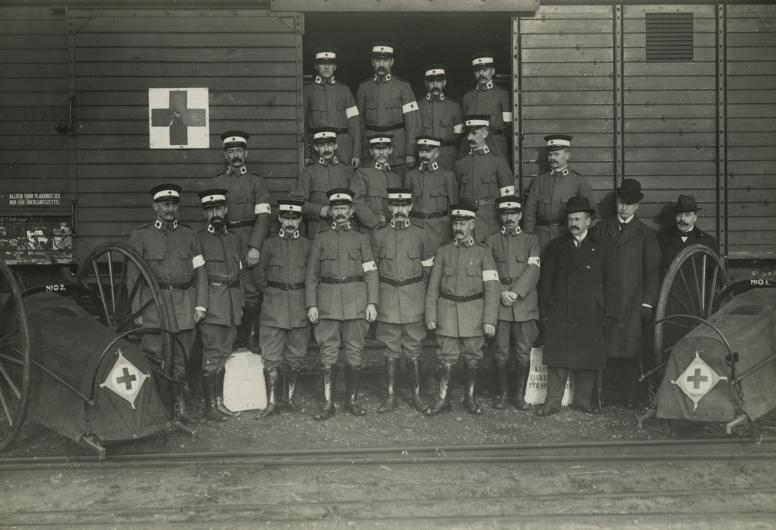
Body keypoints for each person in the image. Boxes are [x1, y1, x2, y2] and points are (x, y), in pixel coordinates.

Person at [128, 183, 207, 422]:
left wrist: (200, 305)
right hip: (154, 305)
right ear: (155, 207)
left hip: (185, 305)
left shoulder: (189, 235)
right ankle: (158, 410)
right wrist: (137, 312)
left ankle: (179, 409)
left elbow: (200, 272)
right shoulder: (141, 236)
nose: (170, 208)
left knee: (181, 360)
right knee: (156, 357)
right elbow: (133, 278)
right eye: (165, 204)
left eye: (173, 204)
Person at [306, 189, 379, 420]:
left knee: (354, 350)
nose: (339, 213)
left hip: (356, 301)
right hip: (327, 300)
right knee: (328, 352)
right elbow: (311, 275)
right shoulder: (320, 238)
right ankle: (328, 405)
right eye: (335, 209)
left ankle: (351, 401)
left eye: (343, 209)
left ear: (351, 211)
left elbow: (371, 272)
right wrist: (311, 305)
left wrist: (372, 302)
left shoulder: (361, 238)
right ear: (331, 211)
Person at [425, 203, 500, 415]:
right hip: (447, 312)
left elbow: (492, 289)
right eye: (456, 223)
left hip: (474, 313)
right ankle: (443, 399)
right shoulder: (443, 252)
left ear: (472, 225)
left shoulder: (483, 253)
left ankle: (470, 398)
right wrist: (431, 315)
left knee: (472, 356)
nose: (458, 227)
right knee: (447, 356)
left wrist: (490, 320)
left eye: (463, 223)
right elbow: (433, 287)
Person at [535, 196, 607, 417]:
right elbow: (546, 282)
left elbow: (611, 282)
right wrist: (545, 311)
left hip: (589, 311)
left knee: (587, 359)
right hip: (561, 311)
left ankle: (583, 401)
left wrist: (605, 310)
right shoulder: (556, 247)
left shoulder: (601, 248)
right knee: (557, 360)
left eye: (578, 219)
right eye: (570, 219)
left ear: (588, 221)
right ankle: (552, 403)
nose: (573, 223)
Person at [592, 179, 661, 408]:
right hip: (607, 301)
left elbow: (652, 274)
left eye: (629, 204)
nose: (624, 208)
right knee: (607, 350)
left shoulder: (646, 234)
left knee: (631, 351)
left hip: (633, 303)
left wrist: (648, 304)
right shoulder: (601, 229)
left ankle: (631, 396)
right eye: (622, 202)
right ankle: (608, 395)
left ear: (637, 206)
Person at [370, 188, 436, 414]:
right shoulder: (378, 235)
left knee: (414, 347)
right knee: (391, 349)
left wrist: (419, 295)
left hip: (414, 299)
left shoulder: (422, 234)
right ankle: (391, 396)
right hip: (387, 297)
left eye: (404, 205)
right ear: (389, 207)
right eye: (395, 206)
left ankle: (417, 396)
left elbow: (428, 270)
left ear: (410, 207)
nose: (399, 210)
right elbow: (373, 271)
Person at [212, 130, 271, 352]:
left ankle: (252, 335)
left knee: (252, 290)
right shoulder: (218, 182)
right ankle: (235, 335)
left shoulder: (256, 182)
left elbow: (264, 217)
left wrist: (255, 246)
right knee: (230, 286)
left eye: (239, 150)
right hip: (226, 239)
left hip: (249, 238)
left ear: (245, 153)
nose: (235, 155)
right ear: (225, 155)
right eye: (231, 151)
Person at [256, 199, 311, 419]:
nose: (290, 222)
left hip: (299, 305)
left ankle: (288, 399)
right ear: (279, 219)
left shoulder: (308, 245)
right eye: (286, 218)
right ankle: (272, 403)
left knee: (296, 355)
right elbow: (259, 276)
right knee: (271, 355)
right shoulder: (268, 244)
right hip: (273, 306)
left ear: (299, 220)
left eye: (294, 218)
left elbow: (313, 276)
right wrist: (273, 294)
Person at [485, 196, 541, 410]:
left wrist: (516, 293)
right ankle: (502, 394)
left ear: (519, 216)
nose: (509, 218)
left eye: (513, 214)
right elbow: (488, 271)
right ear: (501, 216)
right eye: (505, 214)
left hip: (524, 304)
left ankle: (519, 396)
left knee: (523, 351)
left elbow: (534, 269)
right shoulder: (491, 240)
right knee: (500, 351)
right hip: (499, 304)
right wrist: (501, 292)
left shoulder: (531, 240)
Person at [196, 188, 243, 421]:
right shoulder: (198, 239)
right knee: (212, 354)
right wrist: (201, 306)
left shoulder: (234, 238)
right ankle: (209, 406)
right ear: (205, 213)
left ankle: (219, 402)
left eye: (219, 208)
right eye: (210, 209)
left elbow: (241, 273)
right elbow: (197, 276)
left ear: (225, 210)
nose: (215, 213)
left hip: (233, 304)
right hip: (213, 304)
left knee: (224, 353)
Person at [356, 41, 421, 178]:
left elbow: (412, 122)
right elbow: (359, 123)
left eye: (385, 60)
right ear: (372, 62)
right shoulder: (364, 87)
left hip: (397, 152)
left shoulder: (403, 87)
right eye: (378, 60)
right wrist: (360, 152)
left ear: (392, 62)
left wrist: (410, 152)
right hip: (371, 150)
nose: (381, 64)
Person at [523, 134, 597, 254]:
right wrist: (529, 240)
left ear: (567, 155)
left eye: (557, 154)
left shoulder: (579, 182)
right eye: (550, 154)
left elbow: (591, 215)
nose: (552, 158)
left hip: (566, 236)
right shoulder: (539, 181)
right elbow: (529, 214)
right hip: (541, 238)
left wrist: (581, 240)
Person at [454, 115, 515, 239]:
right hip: (466, 221)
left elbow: (507, 199)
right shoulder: (460, 164)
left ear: (485, 133)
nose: (469, 137)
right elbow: (455, 197)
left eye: (474, 133)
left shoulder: (498, 162)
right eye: (468, 134)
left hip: (491, 220)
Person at [303, 46, 361, 169]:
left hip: (343, 147)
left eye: (330, 64)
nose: (326, 67)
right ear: (316, 67)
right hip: (317, 146)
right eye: (322, 64)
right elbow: (302, 125)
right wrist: (306, 154)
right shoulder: (307, 91)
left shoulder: (345, 91)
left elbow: (354, 124)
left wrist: (356, 153)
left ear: (335, 67)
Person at [291, 127, 354, 236]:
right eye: (322, 145)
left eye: (329, 145)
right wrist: (319, 210)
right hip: (317, 229)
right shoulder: (308, 172)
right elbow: (298, 202)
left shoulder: (347, 170)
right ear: (316, 147)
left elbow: (356, 200)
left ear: (335, 146)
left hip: (344, 229)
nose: (326, 149)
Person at [403, 135, 458, 253]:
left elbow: (453, 207)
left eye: (428, 151)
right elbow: (405, 206)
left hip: (440, 230)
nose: (424, 155)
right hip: (415, 227)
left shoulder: (447, 176)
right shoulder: (410, 176)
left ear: (437, 153)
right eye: (421, 151)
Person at [461, 52, 512, 158]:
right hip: (473, 146)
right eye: (477, 70)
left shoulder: (502, 94)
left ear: (492, 71)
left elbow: (508, 125)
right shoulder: (467, 97)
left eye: (485, 70)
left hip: (496, 145)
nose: (481, 74)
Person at [657, 194, 719, 275]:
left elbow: (714, 277)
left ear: (695, 217)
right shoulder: (661, 239)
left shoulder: (709, 242)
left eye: (687, 215)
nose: (682, 219)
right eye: (679, 214)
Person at [350, 134, 402, 230]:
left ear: (390, 150)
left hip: (393, 230)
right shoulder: (362, 174)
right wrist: (375, 221)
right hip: (371, 229)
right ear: (371, 151)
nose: (381, 153)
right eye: (377, 149)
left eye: (385, 148)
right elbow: (356, 201)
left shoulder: (396, 178)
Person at [418, 65, 463, 170]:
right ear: (426, 83)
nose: (435, 85)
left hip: (448, 156)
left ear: (444, 83)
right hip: (425, 155)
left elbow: (459, 136)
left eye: (438, 81)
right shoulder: (418, 106)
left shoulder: (454, 106)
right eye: (431, 81)